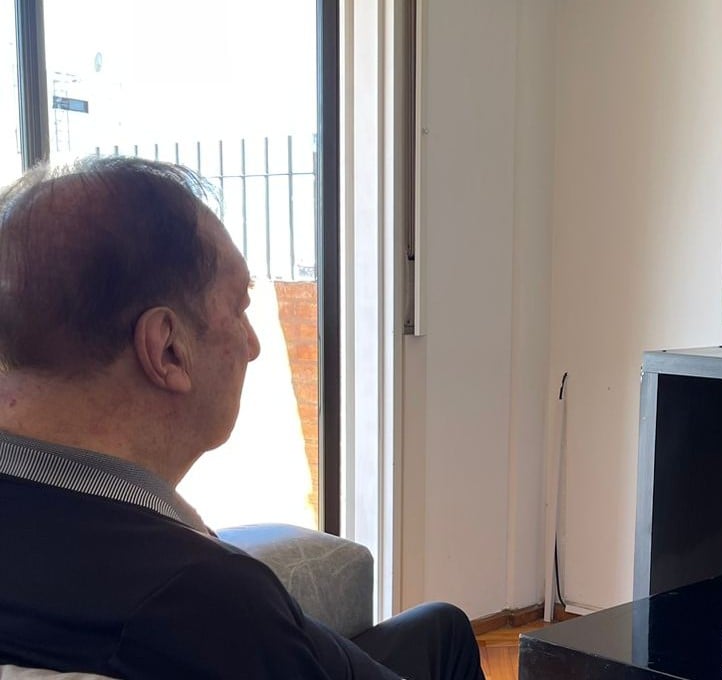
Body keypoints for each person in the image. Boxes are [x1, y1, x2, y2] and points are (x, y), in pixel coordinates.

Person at [0, 157, 485, 680]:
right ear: (167, 349)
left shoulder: (79, 527)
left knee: (443, 627)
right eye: (239, 305)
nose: (253, 344)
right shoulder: (203, 598)